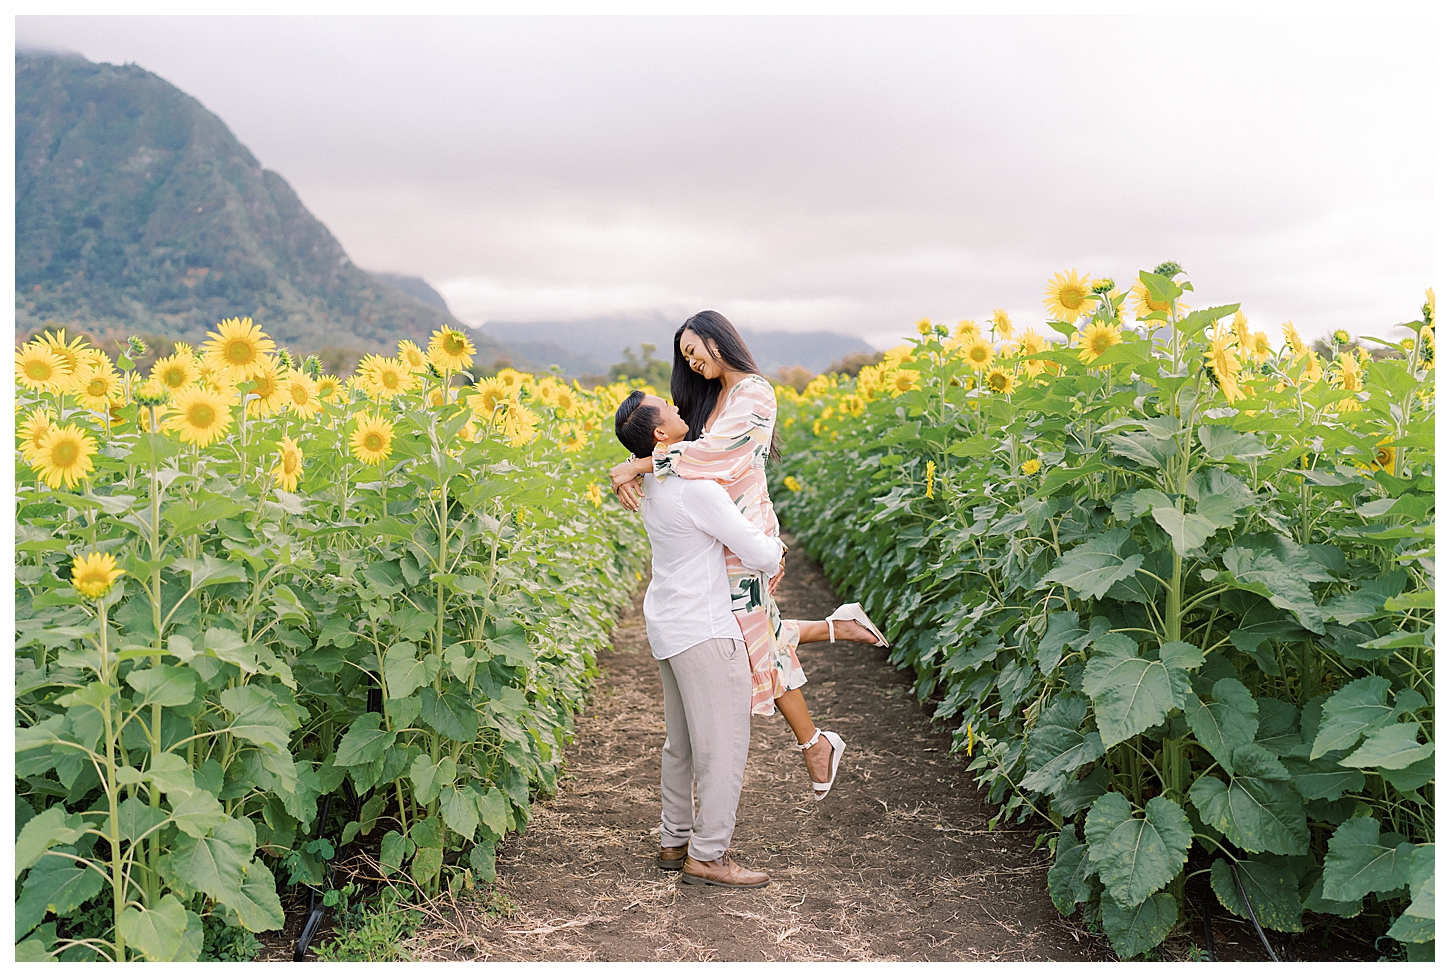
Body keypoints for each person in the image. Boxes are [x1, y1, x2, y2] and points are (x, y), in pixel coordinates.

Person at [609, 311, 888, 800]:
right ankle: (833, 644)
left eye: (696, 352)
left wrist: (642, 464)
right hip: (715, 529)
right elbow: (686, 451)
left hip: (744, 531)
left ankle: (814, 743)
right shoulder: (713, 397)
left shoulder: (756, 393)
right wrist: (645, 467)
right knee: (755, 628)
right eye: (687, 359)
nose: (693, 365)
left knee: (751, 633)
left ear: (718, 340)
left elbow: (721, 455)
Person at [614, 390, 779, 887]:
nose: (680, 408)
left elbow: (658, 463)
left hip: (668, 623)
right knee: (723, 748)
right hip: (706, 629)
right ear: (661, 434)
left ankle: (674, 841)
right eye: (669, 410)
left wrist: (634, 464)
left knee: (681, 744)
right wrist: (775, 545)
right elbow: (759, 553)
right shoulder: (696, 489)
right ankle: (708, 856)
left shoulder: (655, 484)